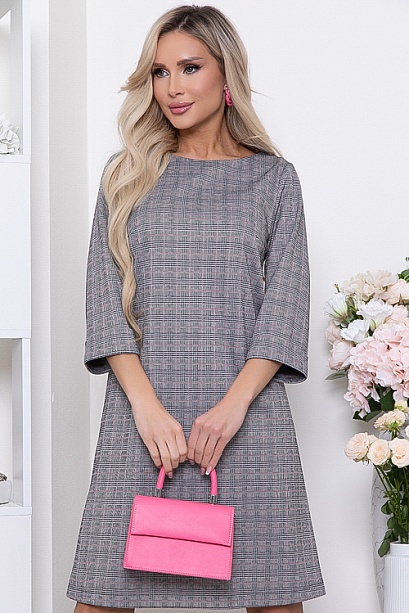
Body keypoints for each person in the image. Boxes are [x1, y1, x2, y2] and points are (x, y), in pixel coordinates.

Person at [67, 5, 325, 612]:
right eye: (160, 72)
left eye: (189, 67)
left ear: (225, 71)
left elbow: (285, 306)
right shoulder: (126, 175)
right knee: (101, 596)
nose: (172, 88)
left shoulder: (274, 180)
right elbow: (104, 301)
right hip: (142, 419)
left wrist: (232, 408)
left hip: (246, 419)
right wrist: (147, 408)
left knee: (273, 596)